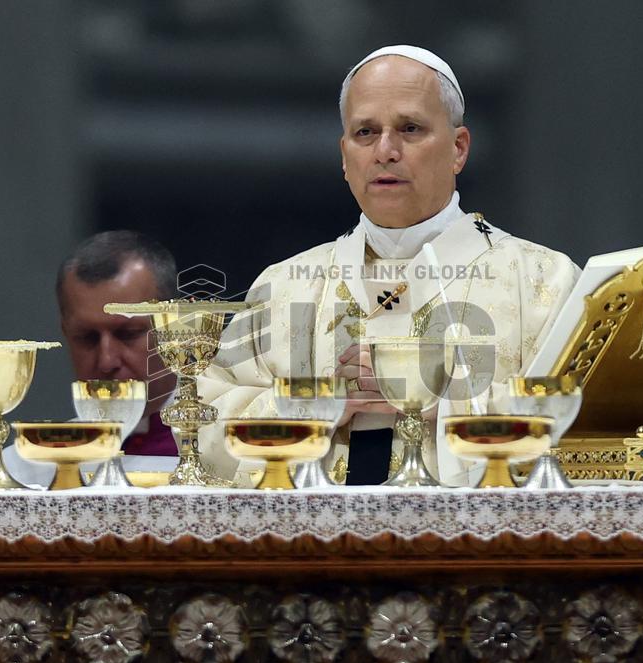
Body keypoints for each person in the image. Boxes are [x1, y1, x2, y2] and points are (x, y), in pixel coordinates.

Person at [199, 45, 581, 487]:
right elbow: (203, 425)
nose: (385, 150)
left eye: (410, 128)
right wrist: (316, 404)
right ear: (345, 156)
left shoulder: (542, 281)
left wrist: (435, 400)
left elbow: (586, 430)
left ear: (458, 148)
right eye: (365, 132)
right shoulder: (283, 286)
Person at [4, 230, 180, 486]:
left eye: (127, 334)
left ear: (174, 327)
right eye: (87, 338)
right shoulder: (28, 468)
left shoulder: (232, 454)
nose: (107, 361)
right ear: (65, 333)